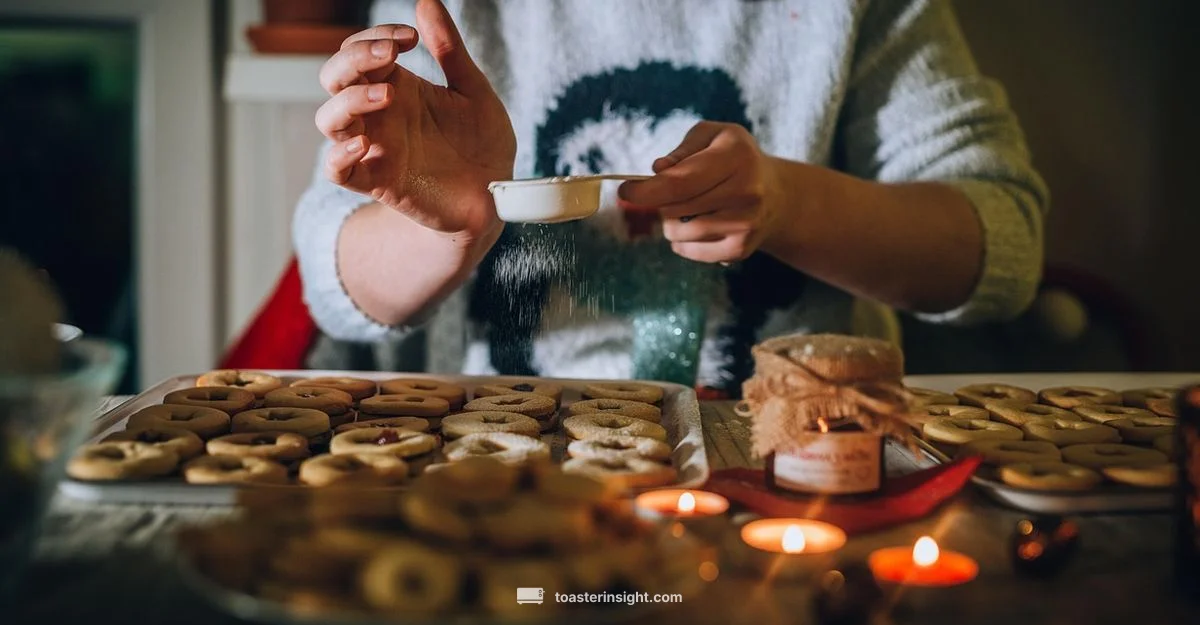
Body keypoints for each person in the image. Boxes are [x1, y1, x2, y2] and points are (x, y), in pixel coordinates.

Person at [291, 0, 1047, 394]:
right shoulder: (447, 14)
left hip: (797, 458)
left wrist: (787, 203)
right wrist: (449, 229)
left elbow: (1000, 249)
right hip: (516, 463)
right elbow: (336, 281)